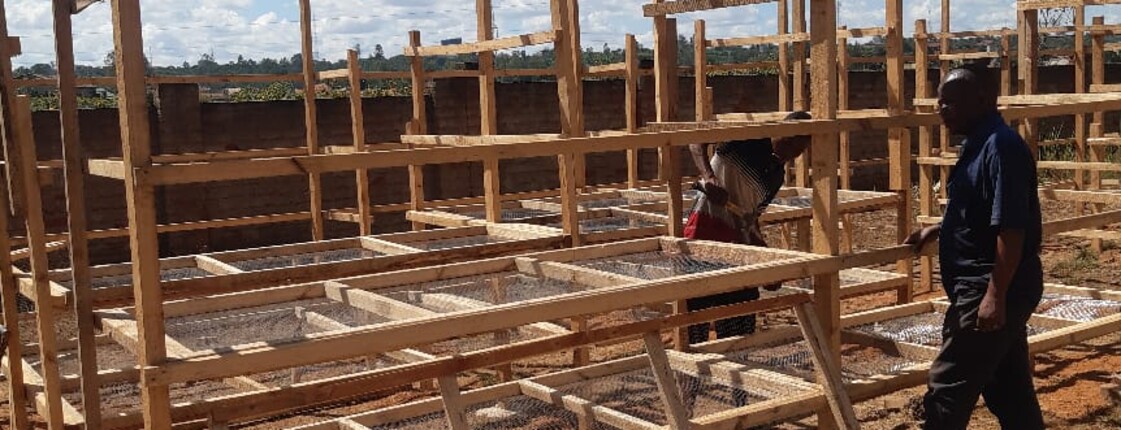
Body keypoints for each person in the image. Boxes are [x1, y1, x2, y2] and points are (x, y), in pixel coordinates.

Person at [905, 64, 1045, 430]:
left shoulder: (1001, 147)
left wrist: (994, 296)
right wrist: (937, 229)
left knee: (946, 391)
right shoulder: (979, 143)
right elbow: (979, 210)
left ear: (982, 100)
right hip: (991, 286)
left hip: (990, 285)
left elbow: (1012, 227)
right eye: (940, 101)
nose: (942, 109)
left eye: (951, 102)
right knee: (1009, 392)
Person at [684, 111, 812, 344]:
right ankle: (691, 374)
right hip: (704, 230)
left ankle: (736, 365)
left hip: (737, 243)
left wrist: (761, 255)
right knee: (694, 316)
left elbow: (751, 217)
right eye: (790, 142)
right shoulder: (748, 139)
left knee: (740, 317)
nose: (791, 152)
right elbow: (696, 140)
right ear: (781, 132)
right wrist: (710, 178)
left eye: (798, 150)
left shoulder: (776, 176)